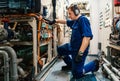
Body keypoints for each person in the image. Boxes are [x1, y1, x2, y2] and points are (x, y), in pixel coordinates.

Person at [46, 4, 99, 80]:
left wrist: (80, 53)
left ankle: (94, 64)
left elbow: (87, 38)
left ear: (76, 12)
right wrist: (55, 21)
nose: (69, 16)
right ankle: (71, 65)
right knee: (60, 50)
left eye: (70, 13)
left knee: (77, 74)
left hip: (79, 50)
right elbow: (65, 21)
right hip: (72, 46)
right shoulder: (75, 21)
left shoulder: (83, 20)